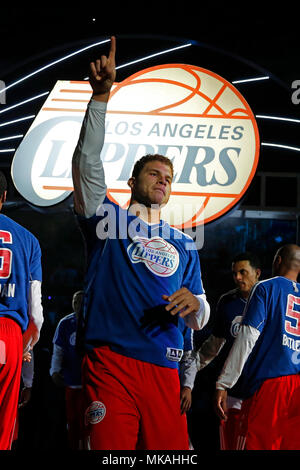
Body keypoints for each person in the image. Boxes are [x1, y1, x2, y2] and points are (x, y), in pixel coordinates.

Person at [72, 36, 210, 450]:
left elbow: (201, 313)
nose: (162, 181)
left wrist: (196, 305)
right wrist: (100, 98)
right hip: (111, 363)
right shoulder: (107, 219)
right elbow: (86, 163)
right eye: (153, 174)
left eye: (167, 178)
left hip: (164, 371)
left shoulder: (185, 243)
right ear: (133, 182)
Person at [215, 244, 300, 450]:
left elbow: (247, 337)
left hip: (272, 383)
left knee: (256, 443)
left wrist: (224, 382)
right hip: (297, 385)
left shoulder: (265, 287)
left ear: (278, 261)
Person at [195, 252, 261, 450]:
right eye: (234, 273)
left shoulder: (269, 299)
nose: (238, 277)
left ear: (257, 273)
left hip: (260, 389)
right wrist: (190, 372)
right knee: (230, 444)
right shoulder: (227, 302)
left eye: (243, 272)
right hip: (231, 390)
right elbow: (215, 344)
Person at [0, 171, 43, 450]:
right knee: (3, 422)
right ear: (4, 197)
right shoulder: (27, 239)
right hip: (8, 334)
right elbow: (35, 312)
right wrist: (26, 347)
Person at [50, 290, 84, 450]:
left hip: (92, 382)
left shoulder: (96, 321)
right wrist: (54, 371)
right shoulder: (65, 323)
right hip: (71, 382)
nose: (78, 305)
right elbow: (58, 350)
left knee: (92, 422)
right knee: (72, 422)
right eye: (75, 302)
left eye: (81, 302)